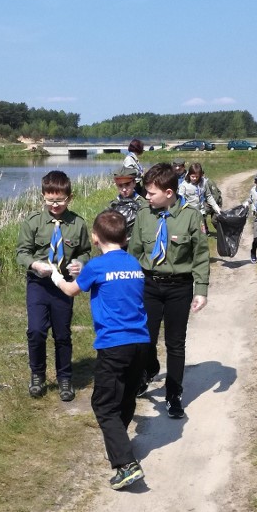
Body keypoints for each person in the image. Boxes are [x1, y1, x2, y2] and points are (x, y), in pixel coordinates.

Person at [51, 210, 149, 490]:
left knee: (103, 404)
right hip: (140, 342)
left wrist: (55, 277)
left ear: (95, 238)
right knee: (126, 396)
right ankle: (119, 445)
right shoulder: (133, 262)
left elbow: (71, 290)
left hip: (113, 344)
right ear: (125, 237)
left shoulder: (97, 265)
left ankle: (126, 464)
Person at [127, 163, 210, 419]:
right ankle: (149, 370)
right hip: (149, 285)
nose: (147, 197)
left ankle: (173, 394)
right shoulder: (144, 215)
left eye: (152, 193)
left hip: (179, 287)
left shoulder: (191, 216)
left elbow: (200, 255)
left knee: (175, 343)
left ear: (169, 192)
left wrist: (201, 289)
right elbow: (135, 252)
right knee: (144, 340)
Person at [16, 170, 92, 401]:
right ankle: (37, 375)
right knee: (36, 331)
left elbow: (85, 251)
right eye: (50, 200)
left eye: (59, 200)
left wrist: (81, 263)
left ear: (69, 198)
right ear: (43, 197)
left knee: (62, 333)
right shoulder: (33, 222)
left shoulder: (77, 224)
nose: (55, 204)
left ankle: (65, 378)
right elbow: (21, 253)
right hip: (38, 284)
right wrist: (34, 265)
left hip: (63, 286)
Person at [109, 165, 147, 245]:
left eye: (127, 185)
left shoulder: (143, 204)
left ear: (134, 183)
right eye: (120, 186)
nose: (124, 189)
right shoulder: (112, 206)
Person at [179, 162, 222, 234]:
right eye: (192, 176)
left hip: (201, 213)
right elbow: (179, 199)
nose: (194, 178)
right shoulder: (184, 185)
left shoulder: (204, 182)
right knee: (191, 233)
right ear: (189, 174)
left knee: (202, 234)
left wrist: (216, 208)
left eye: (197, 177)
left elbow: (208, 196)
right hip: (189, 214)